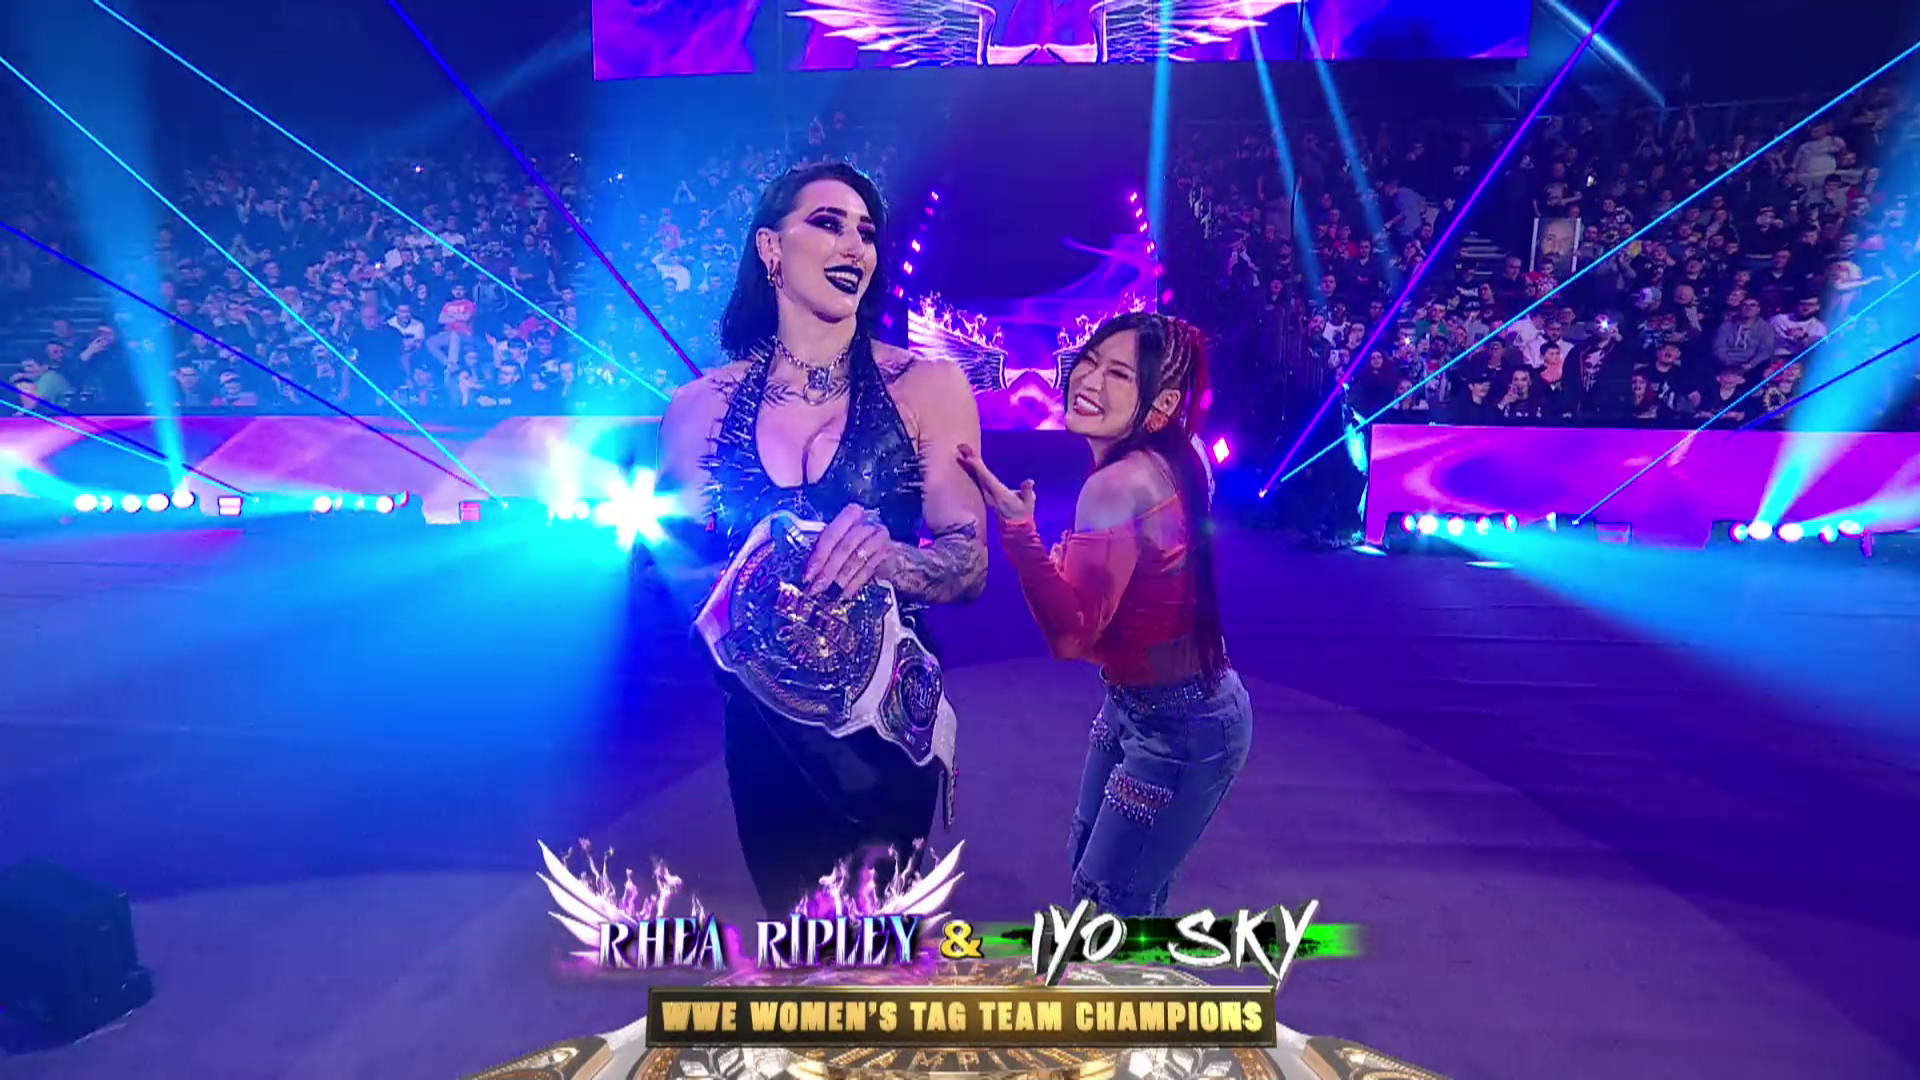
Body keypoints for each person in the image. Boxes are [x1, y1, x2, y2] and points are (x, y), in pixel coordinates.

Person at [655, 163, 989, 915]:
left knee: (875, 944)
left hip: (885, 729)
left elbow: (969, 564)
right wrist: (747, 580)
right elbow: (670, 573)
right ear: (771, 248)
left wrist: (890, 559)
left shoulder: (927, 387)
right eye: (828, 223)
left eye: (866, 232)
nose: (854, 246)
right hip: (764, 731)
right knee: (797, 937)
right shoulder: (698, 407)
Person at [957, 312, 1250, 915]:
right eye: (1088, 362)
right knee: (1094, 874)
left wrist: (1020, 532)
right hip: (1144, 705)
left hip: (1181, 725)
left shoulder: (1116, 486)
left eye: (1118, 373)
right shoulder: (1181, 454)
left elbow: (1071, 636)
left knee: (1107, 903)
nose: (1088, 381)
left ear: (1162, 403)